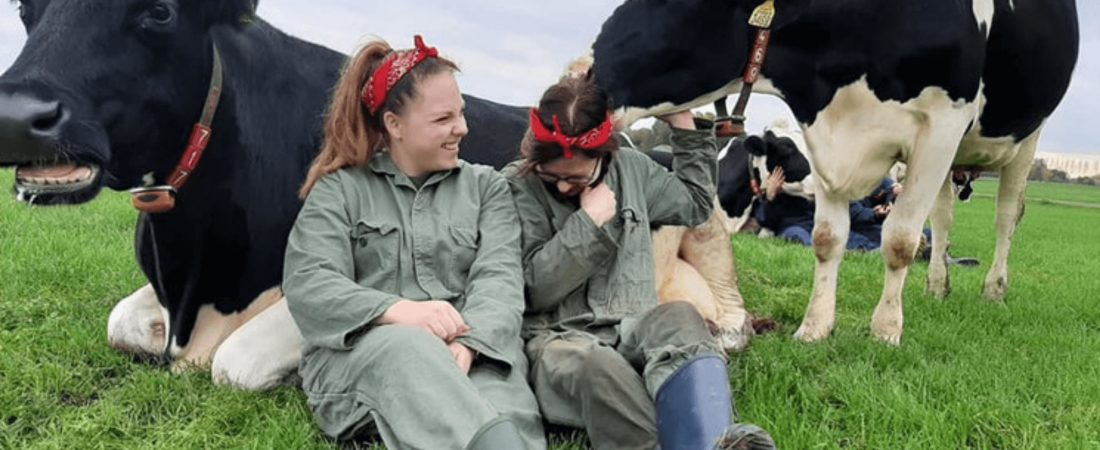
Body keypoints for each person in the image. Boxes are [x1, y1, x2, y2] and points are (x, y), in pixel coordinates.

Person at [282, 36, 546, 450]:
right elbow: (308, 282)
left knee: (503, 412)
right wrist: (397, 310)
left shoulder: (487, 188)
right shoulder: (340, 189)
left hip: (473, 351)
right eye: (443, 119)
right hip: (368, 358)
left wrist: (470, 345)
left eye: (460, 113)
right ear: (394, 125)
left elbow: (499, 278)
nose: (463, 128)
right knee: (408, 350)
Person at [504, 75, 776, 450]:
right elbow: (534, 290)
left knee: (681, 316)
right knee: (595, 364)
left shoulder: (633, 169)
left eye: (578, 178)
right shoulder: (517, 187)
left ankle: (713, 440)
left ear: (606, 154)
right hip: (558, 341)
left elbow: (696, 206)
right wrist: (588, 224)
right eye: (553, 177)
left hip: (633, 326)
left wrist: (683, 124)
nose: (564, 187)